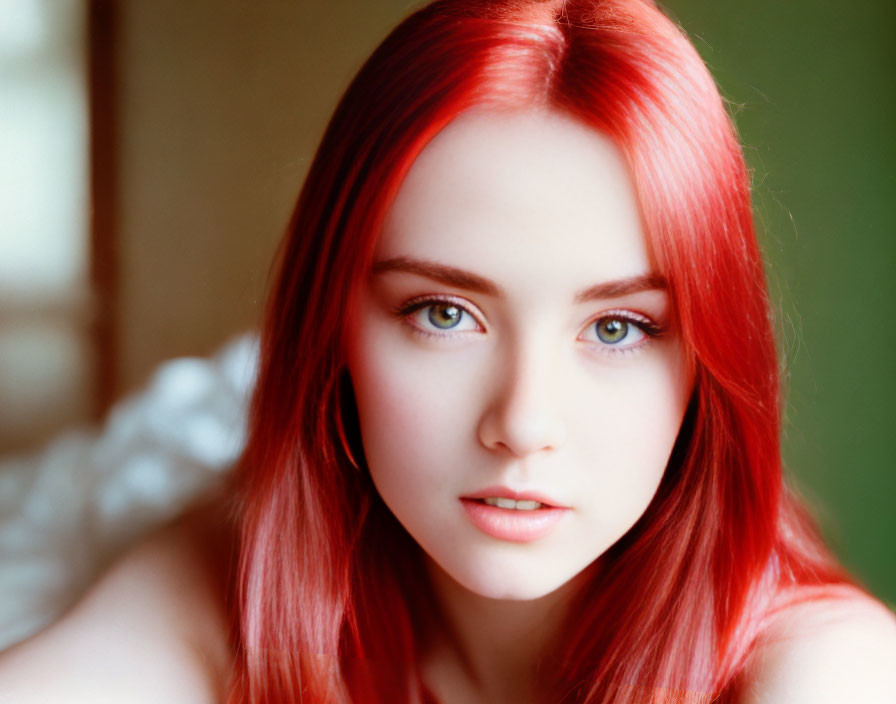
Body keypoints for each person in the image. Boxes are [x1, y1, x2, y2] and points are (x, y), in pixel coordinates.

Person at [1, 0, 894, 702]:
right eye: (443, 313)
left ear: (707, 363)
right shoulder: (236, 571)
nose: (523, 422)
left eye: (617, 328)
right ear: (331, 329)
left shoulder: (821, 665)